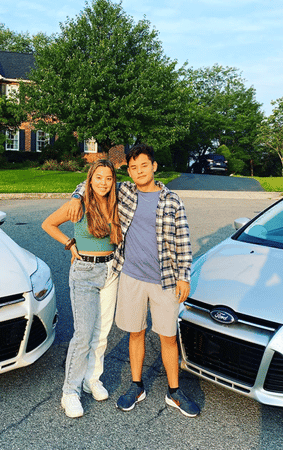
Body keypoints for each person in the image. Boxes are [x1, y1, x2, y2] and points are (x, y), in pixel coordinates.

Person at [69, 144, 199, 417]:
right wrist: (75, 195)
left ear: (154, 166)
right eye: (133, 167)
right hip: (130, 276)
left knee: (168, 336)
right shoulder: (125, 192)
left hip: (165, 279)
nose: (138, 171)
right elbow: (95, 181)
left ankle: (174, 392)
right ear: (129, 171)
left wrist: (184, 277)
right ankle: (136, 385)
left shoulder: (172, 200)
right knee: (135, 332)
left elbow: (183, 242)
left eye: (143, 165)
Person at [42, 159, 122, 418]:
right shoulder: (79, 203)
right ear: (90, 178)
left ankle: (91, 379)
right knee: (84, 334)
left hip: (111, 271)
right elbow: (48, 224)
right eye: (98, 177)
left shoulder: (116, 201)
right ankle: (70, 392)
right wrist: (69, 243)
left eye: (108, 178)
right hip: (84, 272)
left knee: (102, 332)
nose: (103, 182)